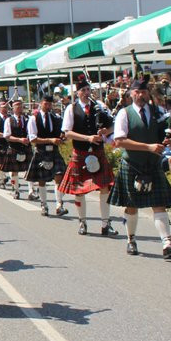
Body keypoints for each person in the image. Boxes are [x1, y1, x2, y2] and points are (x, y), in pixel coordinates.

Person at [109, 78, 171, 258]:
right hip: (132, 164)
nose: (141, 95)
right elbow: (120, 141)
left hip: (152, 164)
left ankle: (167, 244)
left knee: (159, 204)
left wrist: (170, 141)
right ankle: (131, 239)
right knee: (131, 206)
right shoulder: (124, 114)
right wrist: (149, 147)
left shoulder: (158, 111)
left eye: (143, 92)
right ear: (131, 94)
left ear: (148, 94)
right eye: (137, 92)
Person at [57, 80, 118, 237]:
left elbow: (113, 125)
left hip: (98, 152)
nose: (86, 92)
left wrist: (106, 130)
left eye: (88, 89)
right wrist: (88, 138)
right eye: (83, 89)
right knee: (79, 191)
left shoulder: (99, 106)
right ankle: (82, 222)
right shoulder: (72, 108)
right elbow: (67, 133)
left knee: (104, 187)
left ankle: (106, 224)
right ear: (77, 92)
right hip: (81, 153)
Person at [24, 95, 67, 217]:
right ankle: (44, 205)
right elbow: (33, 139)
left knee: (59, 176)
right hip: (41, 151)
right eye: (46, 104)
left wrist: (62, 138)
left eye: (50, 104)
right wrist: (50, 140)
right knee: (41, 180)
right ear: (41, 103)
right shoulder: (34, 119)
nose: (48, 106)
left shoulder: (56, 118)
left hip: (54, 151)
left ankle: (59, 205)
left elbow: (61, 133)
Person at [1, 98, 32, 200]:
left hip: (26, 147)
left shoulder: (28, 119)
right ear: (13, 108)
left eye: (20, 105)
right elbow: (7, 136)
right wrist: (19, 140)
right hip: (14, 148)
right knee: (14, 171)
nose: (19, 107)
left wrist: (29, 139)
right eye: (17, 105)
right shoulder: (8, 120)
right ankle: (16, 190)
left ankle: (31, 191)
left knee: (30, 169)